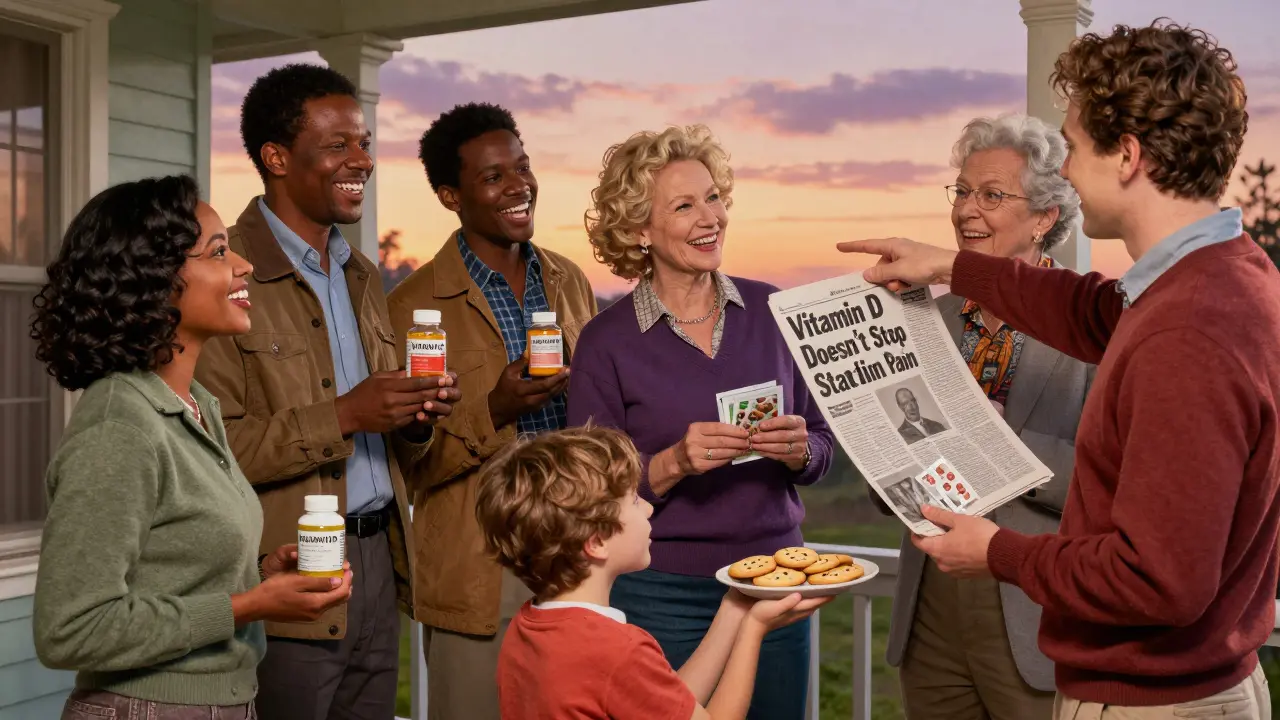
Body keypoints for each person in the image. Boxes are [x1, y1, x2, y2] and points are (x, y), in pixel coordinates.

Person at [840, 20, 1278, 719]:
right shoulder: (1205, 279)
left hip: (1156, 702)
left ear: (1127, 155)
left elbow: (1160, 581)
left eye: (1073, 147)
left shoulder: (1194, 326)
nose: (1066, 170)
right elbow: (1093, 312)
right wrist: (949, 265)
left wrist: (1001, 553)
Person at [31, 175, 354, 719]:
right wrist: (247, 605)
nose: (244, 265)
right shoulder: (121, 425)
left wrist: (258, 576)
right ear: (156, 281)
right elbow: (69, 629)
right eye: (218, 252)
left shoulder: (192, 405)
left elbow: (171, 567)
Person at [195, 64, 460, 720]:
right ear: (277, 157)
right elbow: (213, 451)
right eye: (339, 144)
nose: (362, 161)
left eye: (365, 142)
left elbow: (393, 432)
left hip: (377, 560)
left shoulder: (362, 275)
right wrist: (346, 413)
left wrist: (415, 415)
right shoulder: (225, 277)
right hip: (285, 571)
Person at [568, 124, 835, 719]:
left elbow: (823, 449)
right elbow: (588, 491)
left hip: (777, 579)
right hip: (660, 591)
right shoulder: (605, 343)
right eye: (685, 205)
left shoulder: (773, 311)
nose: (710, 216)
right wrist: (671, 465)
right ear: (640, 230)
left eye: (713, 197)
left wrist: (799, 452)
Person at [874, 114, 1094, 720]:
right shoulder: (921, 318)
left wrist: (997, 445)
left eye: (993, 195)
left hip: (1034, 615)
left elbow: (1111, 480)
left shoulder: (1092, 325)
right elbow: (886, 476)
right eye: (963, 191)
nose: (967, 211)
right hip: (931, 618)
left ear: (1045, 217)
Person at [385, 102, 597, 720]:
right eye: (493, 176)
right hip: (480, 570)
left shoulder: (569, 280)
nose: (518, 186)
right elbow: (411, 465)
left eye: (522, 167)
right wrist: (496, 406)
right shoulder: (412, 307)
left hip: (575, 555)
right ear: (452, 196)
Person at [473, 424, 832, 719]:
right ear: (596, 542)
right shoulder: (619, 651)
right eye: (632, 500)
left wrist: (734, 608)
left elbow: (669, 705)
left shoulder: (527, 630)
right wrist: (754, 630)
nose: (647, 508)